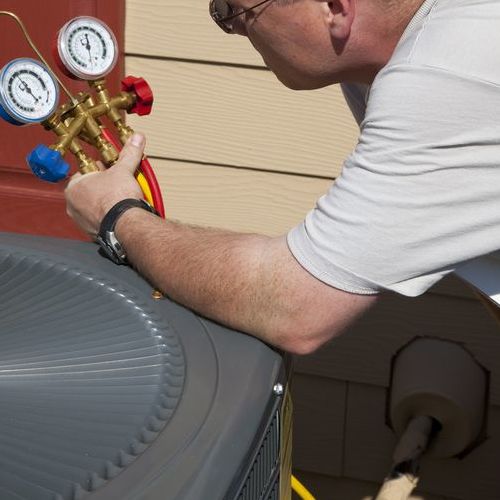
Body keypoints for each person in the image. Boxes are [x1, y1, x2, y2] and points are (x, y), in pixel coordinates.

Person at [65, 0, 500, 354]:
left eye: (234, 10)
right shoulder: (402, 52)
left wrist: (118, 214)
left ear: (335, 8)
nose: (233, 29)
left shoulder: (437, 77)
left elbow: (295, 306)